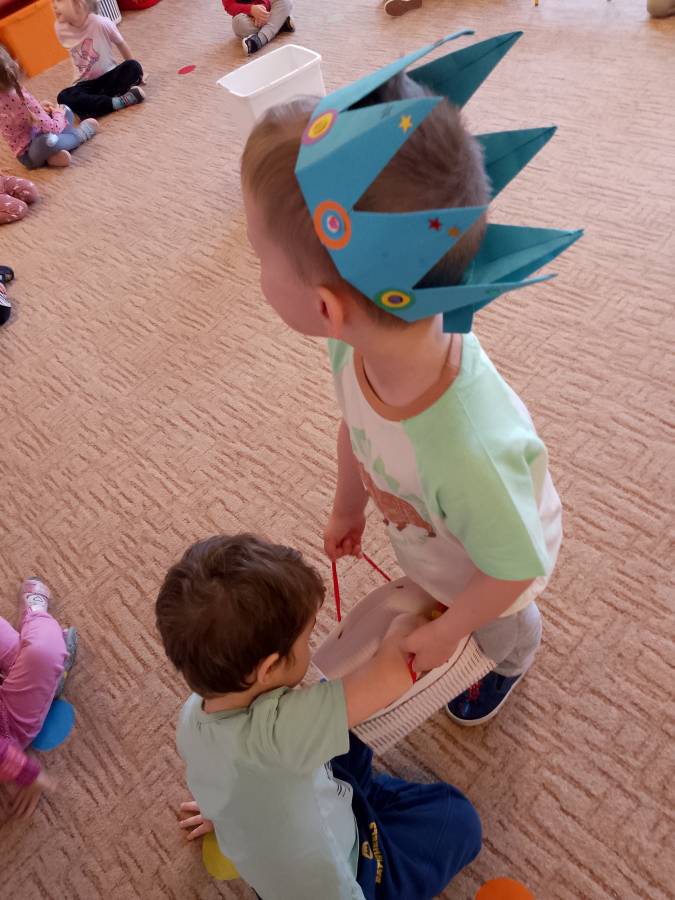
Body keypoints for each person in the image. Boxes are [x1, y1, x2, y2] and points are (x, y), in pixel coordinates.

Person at [240, 66, 563, 726]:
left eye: (257, 255)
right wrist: (347, 507)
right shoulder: (353, 346)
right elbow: (356, 429)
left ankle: (513, 659)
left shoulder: (468, 452)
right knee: (449, 571)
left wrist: (450, 631)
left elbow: (513, 566)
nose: (256, 270)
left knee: (502, 624)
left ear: (326, 307)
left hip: (498, 572)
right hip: (444, 536)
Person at [156, 534, 481, 900]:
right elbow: (389, 677)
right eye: (306, 639)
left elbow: (211, 778)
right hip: (348, 877)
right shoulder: (283, 733)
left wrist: (225, 816)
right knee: (459, 819)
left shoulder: (193, 716)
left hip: (292, 813)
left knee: (347, 735)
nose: (311, 645)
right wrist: (406, 628)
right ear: (269, 668)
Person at [0, 578, 77, 818]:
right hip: (7, 724)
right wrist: (26, 773)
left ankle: (45, 681)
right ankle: (35, 615)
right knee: (45, 651)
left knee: (34, 654)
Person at [0, 46, 98, 169]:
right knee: (53, 131)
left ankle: (53, 155)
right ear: (13, 66)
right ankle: (78, 136)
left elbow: (18, 117)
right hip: (29, 155)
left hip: (36, 133)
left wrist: (39, 108)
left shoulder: (13, 94)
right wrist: (58, 113)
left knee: (62, 113)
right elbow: (53, 128)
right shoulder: (18, 97)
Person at [53, 0, 145, 119]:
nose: (54, 5)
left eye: (59, 1)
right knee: (63, 97)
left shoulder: (102, 23)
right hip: (85, 84)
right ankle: (117, 102)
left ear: (79, 4)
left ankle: (95, 106)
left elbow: (121, 44)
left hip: (110, 77)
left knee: (133, 66)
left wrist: (141, 73)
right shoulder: (60, 29)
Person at [221, 0, 295, 55]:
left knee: (285, 1)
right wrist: (251, 10)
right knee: (238, 24)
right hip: (247, 15)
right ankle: (279, 23)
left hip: (267, 6)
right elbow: (230, 6)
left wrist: (262, 10)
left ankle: (260, 39)